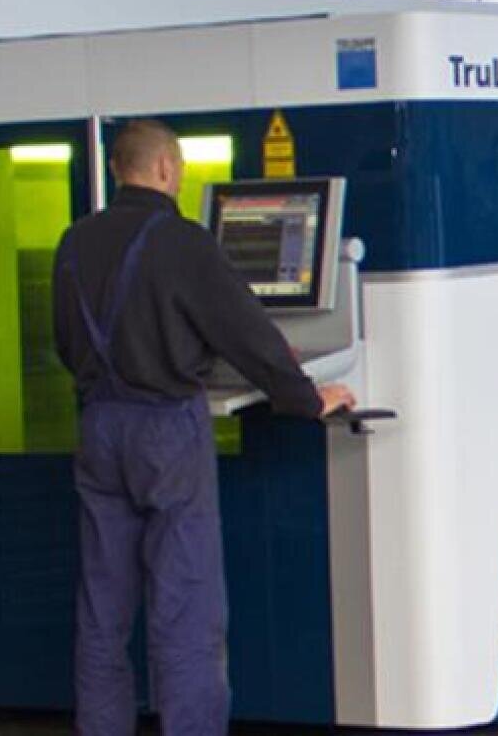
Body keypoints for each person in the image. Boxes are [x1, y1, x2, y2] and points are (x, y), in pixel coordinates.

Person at [52, 119, 355, 735]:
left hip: (100, 427)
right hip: (165, 432)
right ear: (165, 168)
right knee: (184, 612)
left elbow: (66, 340)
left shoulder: (74, 242)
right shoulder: (183, 242)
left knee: (102, 614)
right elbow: (249, 335)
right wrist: (305, 397)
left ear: (117, 169)